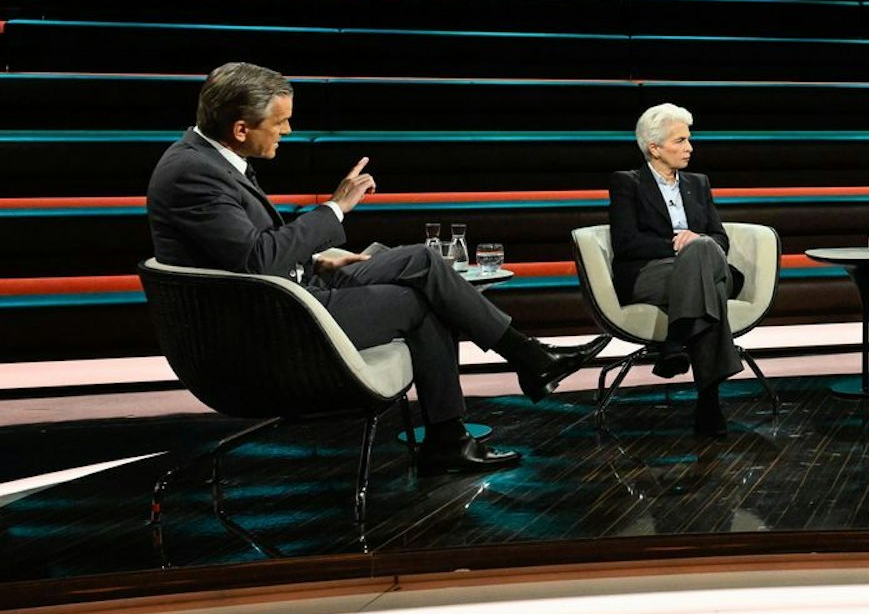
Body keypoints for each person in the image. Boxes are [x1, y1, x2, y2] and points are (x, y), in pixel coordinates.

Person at [146, 63, 601, 476]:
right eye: (280, 121)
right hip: (274, 325)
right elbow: (256, 258)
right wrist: (335, 209)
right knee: (418, 302)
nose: (288, 129)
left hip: (293, 290)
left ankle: (522, 365)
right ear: (241, 128)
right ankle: (478, 409)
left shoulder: (210, 159)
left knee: (422, 260)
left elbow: (239, 253)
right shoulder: (194, 173)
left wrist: (318, 258)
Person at [608, 102, 746, 437]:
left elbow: (719, 239)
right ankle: (709, 400)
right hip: (652, 274)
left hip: (702, 267)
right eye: (680, 141)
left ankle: (675, 340)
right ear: (653, 148)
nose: (690, 148)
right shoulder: (628, 183)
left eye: (689, 139)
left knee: (702, 248)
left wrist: (695, 242)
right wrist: (678, 243)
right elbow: (627, 243)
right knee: (707, 283)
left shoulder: (698, 183)